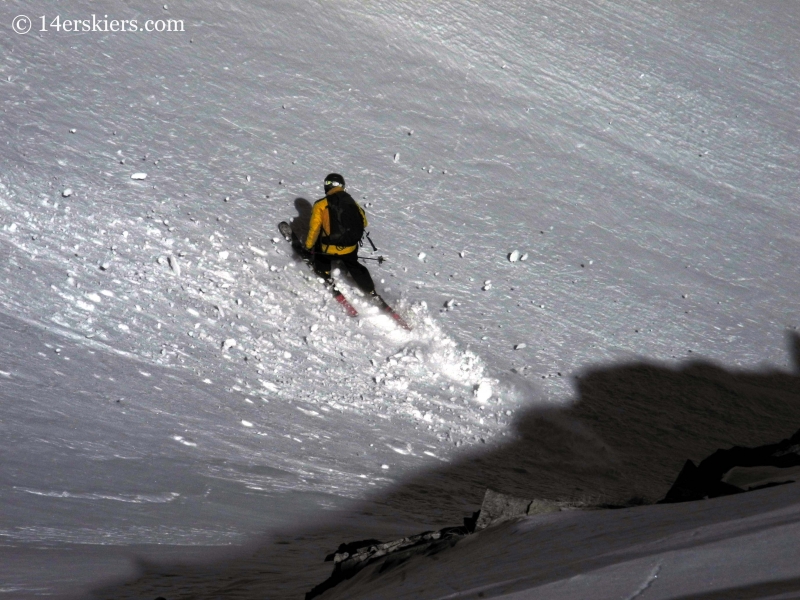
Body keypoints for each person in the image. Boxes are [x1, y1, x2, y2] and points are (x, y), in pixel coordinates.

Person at [304, 173, 377, 296]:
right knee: (354, 265)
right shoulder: (352, 202)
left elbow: (314, 229)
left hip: (328, 250)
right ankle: (370, 290)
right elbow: (364, 222)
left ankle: (325, 272)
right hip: (350, 249)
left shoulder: (321, 204)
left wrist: (308, 247)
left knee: (319, 246)